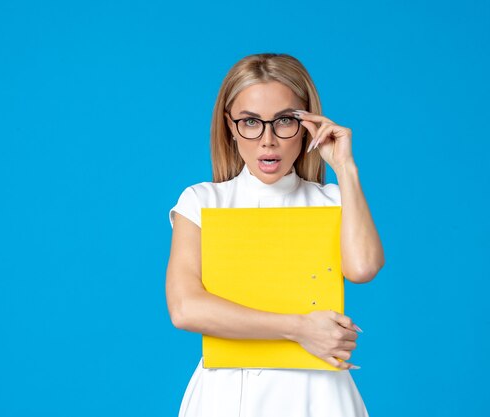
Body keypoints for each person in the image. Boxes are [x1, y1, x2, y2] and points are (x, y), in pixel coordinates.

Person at [165, 53, 385, 417]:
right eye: (250, 122)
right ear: (230, 126)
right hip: (227, 393)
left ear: (307, 125)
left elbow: (362, 268)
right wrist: (299, 329)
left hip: (318, 395)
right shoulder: (203, 201)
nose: (268, 140)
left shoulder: (331, 201)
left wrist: (345, 168)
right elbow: (185, 308)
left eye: (284, 120)